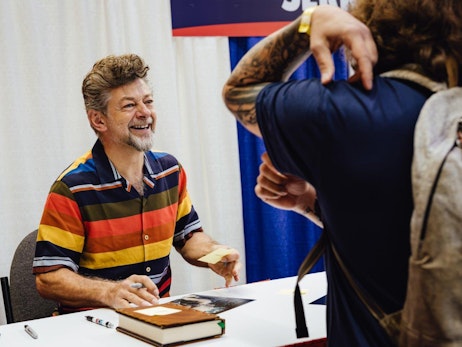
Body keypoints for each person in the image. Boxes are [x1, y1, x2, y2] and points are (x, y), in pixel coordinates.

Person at [223, 2, 462, 346]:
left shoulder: (350, 112)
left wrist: (309, 23)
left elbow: (240, 90)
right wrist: (312, 204)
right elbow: (426, 229)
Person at [33, 54, 240, 314]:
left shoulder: (170, 171)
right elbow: (48, 278)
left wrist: (214, 253)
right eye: (130, 105)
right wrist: (110, 291)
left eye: (148, 101)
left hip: (157, 318)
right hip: (93, 326)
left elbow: (188, 238)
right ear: (99, 120)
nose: (145, 113)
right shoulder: (72, 187)